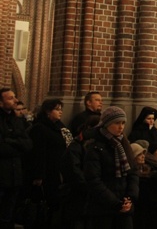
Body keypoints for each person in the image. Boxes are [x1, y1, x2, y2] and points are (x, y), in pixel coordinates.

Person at [83, 106, 138, 229]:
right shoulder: (95, 147)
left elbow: (133, 172)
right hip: (102, 208)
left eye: (123, 123)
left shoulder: (124, 144)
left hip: (124, 205)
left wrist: (130, 198)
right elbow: (93, 180)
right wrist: (115, 203)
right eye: (117, 123)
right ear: (107, 124)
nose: (121, 127)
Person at [24, 98, 73, 227]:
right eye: (57, 109)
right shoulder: (40, 128)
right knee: (43, 204)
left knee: (54, 204)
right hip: (46, 173)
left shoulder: (58, 127)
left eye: (61, 109)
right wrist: (38, 175)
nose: (60, 112)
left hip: (56, 171)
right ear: (47, 111)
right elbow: (38, 153)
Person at [0, 88, 32, 228]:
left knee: (9, 211)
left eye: (15, 97)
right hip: (1, 173)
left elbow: (28, 144)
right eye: (10, 98)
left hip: (16, 174)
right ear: (1, 103)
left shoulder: (17, 120)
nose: (16, 100)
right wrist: (18, 145)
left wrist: (10, 141)